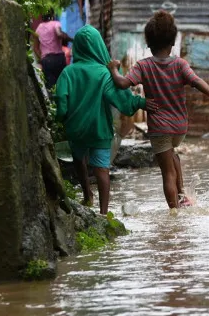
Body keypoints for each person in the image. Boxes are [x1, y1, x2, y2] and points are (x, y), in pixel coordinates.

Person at [108, 10, 209, 209]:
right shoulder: (180, 64)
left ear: (148, 44)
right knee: (173, 155)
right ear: (173, 42)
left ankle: (174, 214)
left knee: (167, 172)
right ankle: (183, 196)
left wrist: (113, 69)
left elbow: (123, 83)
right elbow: (197, 81)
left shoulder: (143, 66)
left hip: (160, 128)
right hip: (179, 127)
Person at [56, 25, 158, 215]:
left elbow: (61, 103)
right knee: (101, 170)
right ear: (98, 47)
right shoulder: (104, 74)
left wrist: (62, 119)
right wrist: (142, 103)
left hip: (76, 130)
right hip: (99, 130)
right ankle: (103, 213)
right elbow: (124, 102)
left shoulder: (67, 73)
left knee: (79, 159)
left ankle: (87, 196)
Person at [33, 11, 70, 89]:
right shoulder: (55, 23)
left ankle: (53, 100)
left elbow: (35, 47)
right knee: (62, 84)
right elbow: (59, 34)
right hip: (58, 58)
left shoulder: (39, 27)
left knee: (51, 86)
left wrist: (42, 57)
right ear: (52, 15)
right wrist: (69, 38)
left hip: (46, 60)